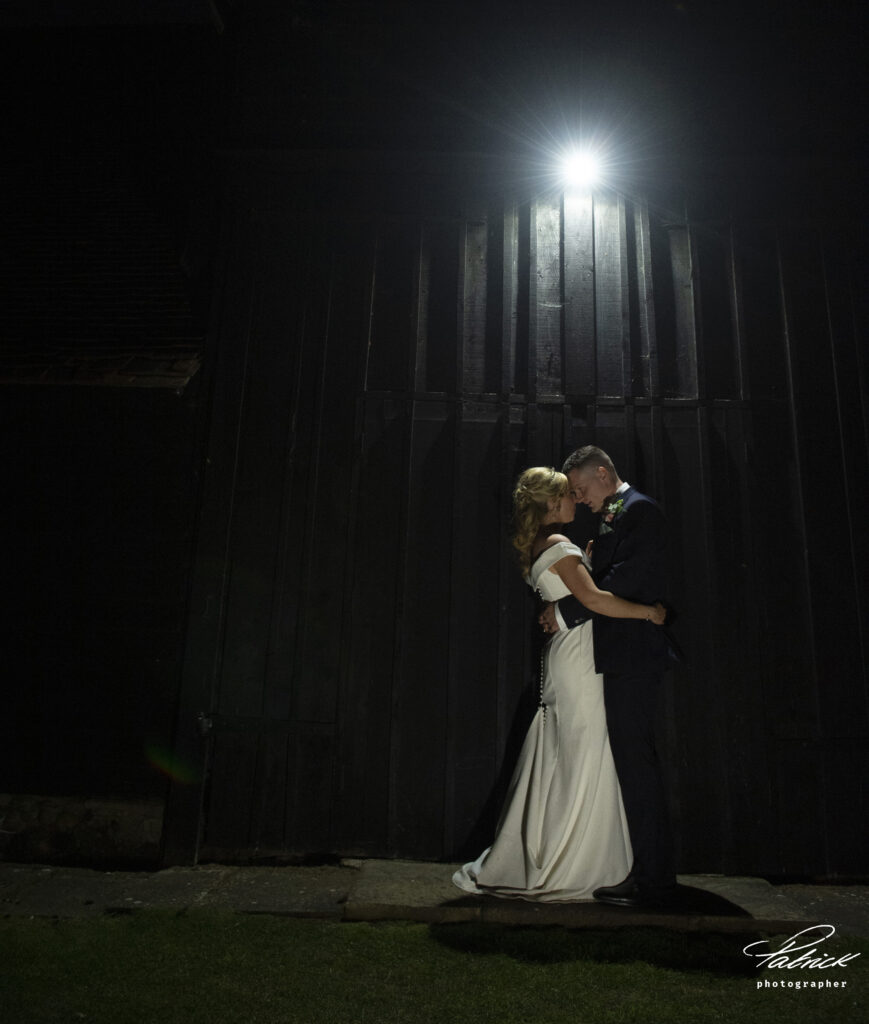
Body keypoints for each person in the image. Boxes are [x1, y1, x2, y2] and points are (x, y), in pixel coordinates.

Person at [452, 466, 666, 902]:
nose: (577, 500)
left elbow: (573, 592)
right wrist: (650, 613)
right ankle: (578, 862)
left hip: (566, 655)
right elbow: (594, 600)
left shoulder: (546, 545)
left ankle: (564, 852)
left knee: (570, 752)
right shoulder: (559, 544)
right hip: (579, 658)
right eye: (569, 495)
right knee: (585, 753)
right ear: (552, 503)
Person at [539, 446, 677, 908]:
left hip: (634, 658)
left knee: (637, 766)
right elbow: (610, 574)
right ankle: (641, 873)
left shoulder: (640, 512)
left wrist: (567, 609)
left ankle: (654, 883)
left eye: (580, 489)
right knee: (630, 767)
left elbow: (628, 579)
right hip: (619, 657)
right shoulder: (618, 514)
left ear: (603, 473)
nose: (578, 500)